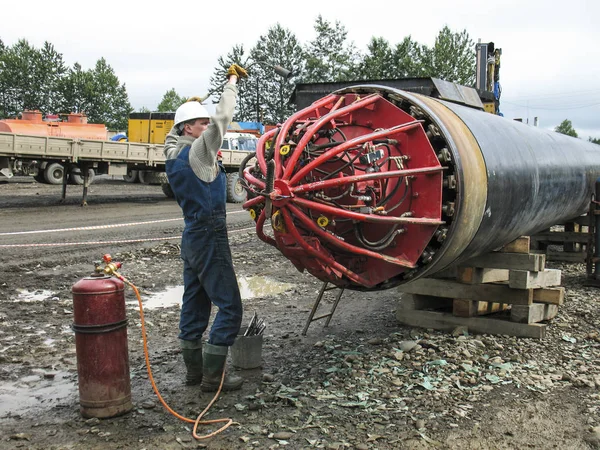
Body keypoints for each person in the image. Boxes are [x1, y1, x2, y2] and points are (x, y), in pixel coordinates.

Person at [164, 64, 248, 392]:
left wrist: (189, 109)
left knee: (195, 303)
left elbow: (176, 132)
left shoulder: (173, 152)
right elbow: (223, 117)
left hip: (192, 237)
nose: (206, 126)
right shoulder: (199, 150)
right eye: (200, 123)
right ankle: (214, 377)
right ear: (189, 129)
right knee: (230, 306)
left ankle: (193, 373)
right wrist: (232, 82)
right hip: (211, 236)